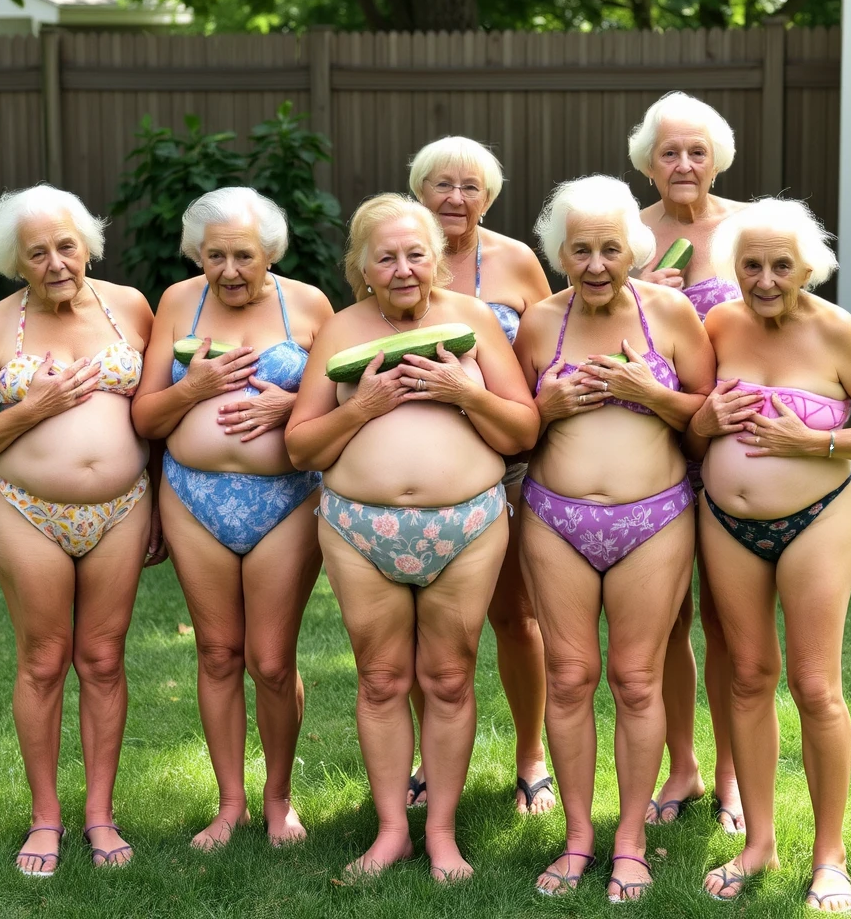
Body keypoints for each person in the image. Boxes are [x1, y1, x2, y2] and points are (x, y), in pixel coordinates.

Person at [285, 194, 538, 881]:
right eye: (386, 257)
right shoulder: (339, 332)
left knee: (450, 678)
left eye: (416, 254)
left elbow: (523, 432)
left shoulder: (476, 320)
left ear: (438, 260)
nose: (403, 269)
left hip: (467, 524)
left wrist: (467, 392)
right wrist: (362, 408)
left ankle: (444, 835)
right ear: (361, 267)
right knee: (381, 678)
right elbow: (301, 445)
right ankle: (393, 829)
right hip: (359, 529)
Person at [690, 199, 851, 911]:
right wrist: (706, 417)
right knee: (749, 676)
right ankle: (758, 842)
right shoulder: (718, 325)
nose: (763, 279)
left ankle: (830, 855)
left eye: (779, 265)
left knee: (816, 687)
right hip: (726, 522)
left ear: (806, 268)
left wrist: (814, 443)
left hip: (817, 519)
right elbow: (690, 419)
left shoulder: (836, 331)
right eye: (750, 265)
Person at [0, 185, 158, 874]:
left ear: (87, 244)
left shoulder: (130, 308)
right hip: (26, 510)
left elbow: (155, 410)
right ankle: (45, 819)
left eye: (67, 245)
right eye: (38, 252)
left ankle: (99, 815)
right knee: (42, 659)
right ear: (17, 261)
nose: (57, 262)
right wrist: (32, 409)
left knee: (102, 658)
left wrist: (162, 499)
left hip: (124, 506)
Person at [513, 175, 713, 901]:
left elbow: (705, 417)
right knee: (568, 678)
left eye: (609, 249)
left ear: (633, 248)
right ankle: (576, 840)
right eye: (580, 250)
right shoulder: (539, 323)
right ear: (559, 252)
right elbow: (510, 429)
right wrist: (546, 403)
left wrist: (651, 394)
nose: (596, 264)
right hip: (555, 519)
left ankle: (630, 842)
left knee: (636, 679)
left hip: (654, 517)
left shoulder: (672, 314)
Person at [131, 187, 333, 848]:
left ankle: (279, 800)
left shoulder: (308, 304)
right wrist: (193, 388)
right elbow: (146, 416)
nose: (229, 271)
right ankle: (229, 805)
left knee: (271, 659)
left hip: (288, 499)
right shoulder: (177, 303)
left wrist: (292, 403)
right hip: (192, 497)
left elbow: (339, 404)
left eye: (243, 255)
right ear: (198, 254)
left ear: (270, 252)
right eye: (214, 256)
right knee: (218, 653)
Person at [407, 136, 554, 814]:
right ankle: (423, 757)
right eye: (442, 185)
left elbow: (550, 345)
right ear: (419, 191)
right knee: (417, 624)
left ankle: (531, 757)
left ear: (489, 198)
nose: (455, 199)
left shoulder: (518, 262)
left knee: (516, 615)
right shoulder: (400, 257)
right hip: (418, 468)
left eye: (470, 187)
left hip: (510, 465)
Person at [629, 91, 749, 833]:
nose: (682, 164)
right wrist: (645, 299)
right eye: (669, 151)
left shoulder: (747, 229)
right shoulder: (626, 236)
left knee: (729, 619)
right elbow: (582, 334)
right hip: (654, 439)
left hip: (732, 436)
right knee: (666, 619)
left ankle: (734, 777)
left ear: (716, 160)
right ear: (647, 162)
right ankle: (683, 766)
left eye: (696, 151)